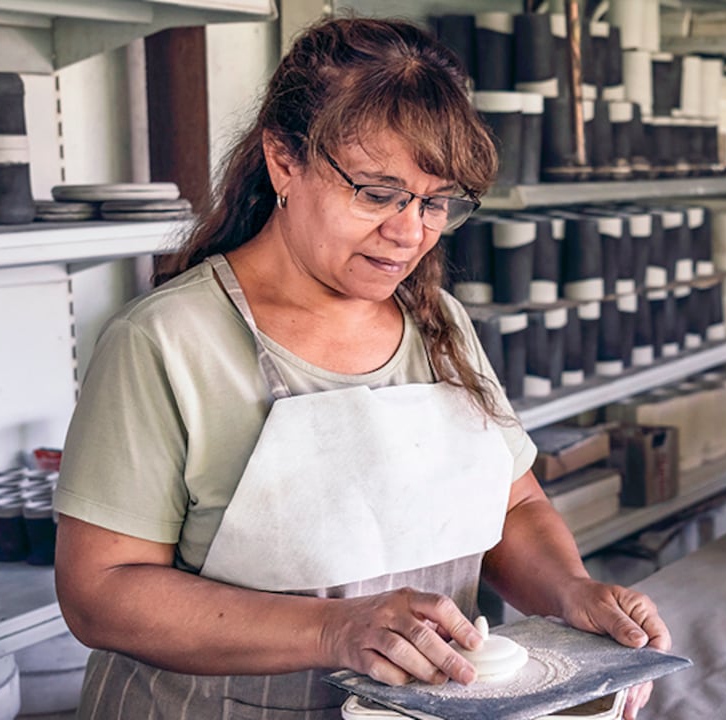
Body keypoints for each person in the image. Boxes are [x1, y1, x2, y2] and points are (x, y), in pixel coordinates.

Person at [54, 16, 670, 720]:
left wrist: (571, 592)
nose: (409, 232)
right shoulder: (166, 342)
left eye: (436, 202)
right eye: (377, 193)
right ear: (284, 160)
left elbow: (514, 505)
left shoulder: (438, 326)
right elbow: (99, 594)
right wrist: (334, 631)